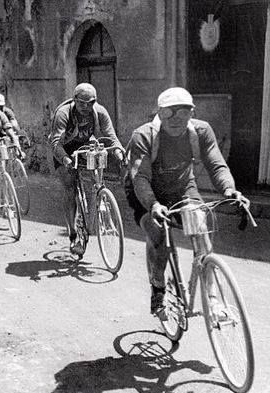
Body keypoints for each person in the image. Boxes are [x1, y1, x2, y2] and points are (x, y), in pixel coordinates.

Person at [126, 87, 246, 317]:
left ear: (192, 113)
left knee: (201, 233)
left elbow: (216, 164)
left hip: (181, 187)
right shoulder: (144, 135)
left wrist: (229, 190)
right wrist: (153, 205)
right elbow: (140, 177)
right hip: (144, 191)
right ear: (159, 113)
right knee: (158, 234)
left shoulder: (200, 131)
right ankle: (158, 289)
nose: (176, 119)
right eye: (169, 113)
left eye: (183, 112)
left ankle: (212, 300)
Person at [49, 82, 124, 256]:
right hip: (63, 149)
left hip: (84, 146)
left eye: (90, 102)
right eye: (81, 102)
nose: (86, 106)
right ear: (75, 99)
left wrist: (119, 152)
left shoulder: (99, 112)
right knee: (70, 185)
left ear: (95, 101)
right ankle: (73, 232)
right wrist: (66, 160)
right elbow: (55, 143)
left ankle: (98, 198)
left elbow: (111, 136)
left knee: (97, 169)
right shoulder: (63, 113)